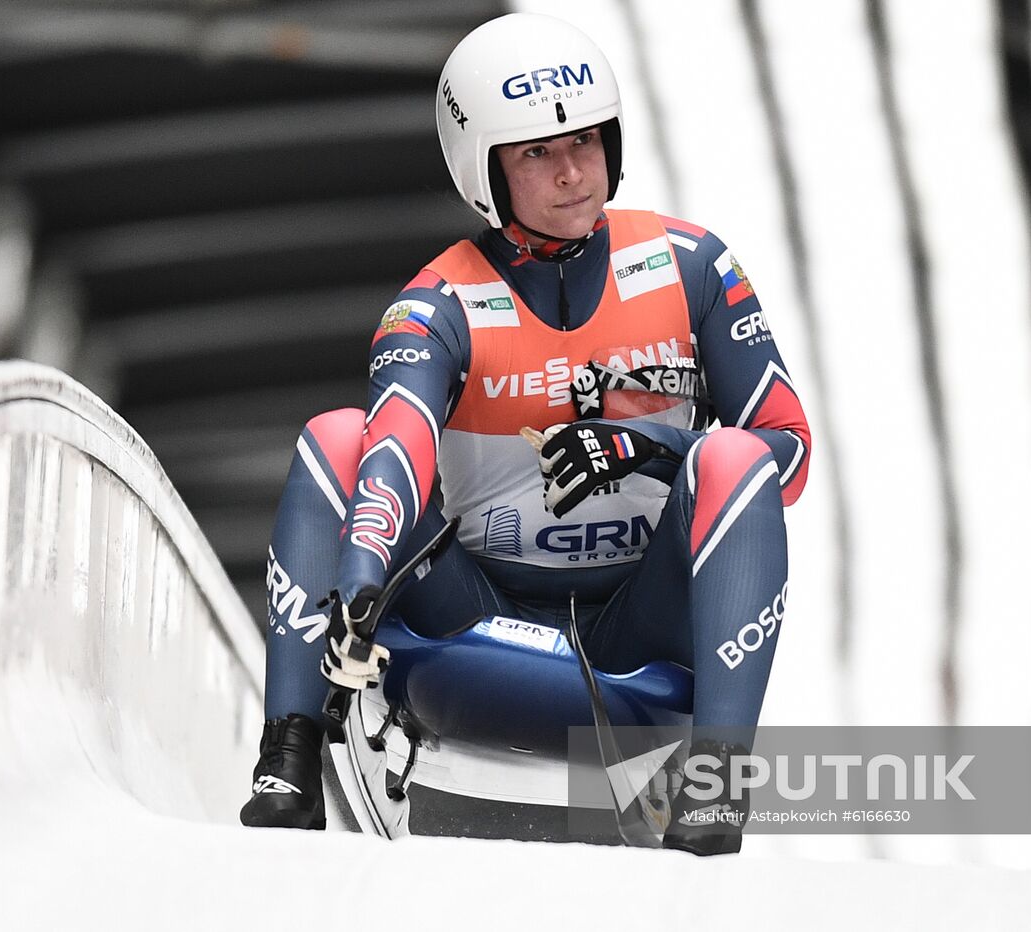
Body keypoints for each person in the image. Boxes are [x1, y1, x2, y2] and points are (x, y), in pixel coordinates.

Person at [239, 12, 810, 856]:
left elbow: (788, 453)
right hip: (473, 616)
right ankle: (286, 757)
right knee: (336, 435)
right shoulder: (435, 304)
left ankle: (719, 783)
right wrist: (360, 577)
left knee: (733, 454)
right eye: (537, 151)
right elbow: (395, 444)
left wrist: (652, 448)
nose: (572, 171)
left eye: (584, 140)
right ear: (484, 170)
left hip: (639, 631)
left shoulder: (695, 266)